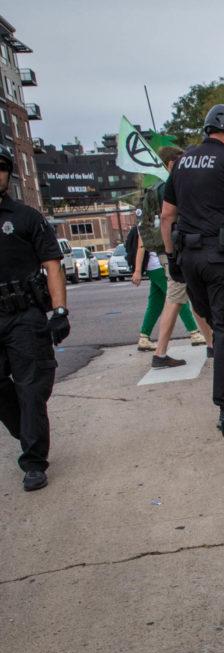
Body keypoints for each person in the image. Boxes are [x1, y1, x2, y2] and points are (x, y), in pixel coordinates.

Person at [160, 103, 224, 426]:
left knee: (218, 324)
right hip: (221, 259)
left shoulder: (183, 162)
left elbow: (166, 216)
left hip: (188, 259)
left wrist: (172, 257)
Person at [0, 144, 69, 491]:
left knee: (31, 389)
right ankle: (25, 431)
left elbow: (52, 265)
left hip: (24, 316)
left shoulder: (26, 218)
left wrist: (59, 311)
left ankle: (33, 461)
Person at [133, 145, 209, 368]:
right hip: (174, 250)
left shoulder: (158, 188)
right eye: (180, 161)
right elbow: (171, 218)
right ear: (170, 164)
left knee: (192, 297)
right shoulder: (170, 186)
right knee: (175, 299)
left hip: (167, 250)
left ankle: (213, 344)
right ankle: (160, 352)